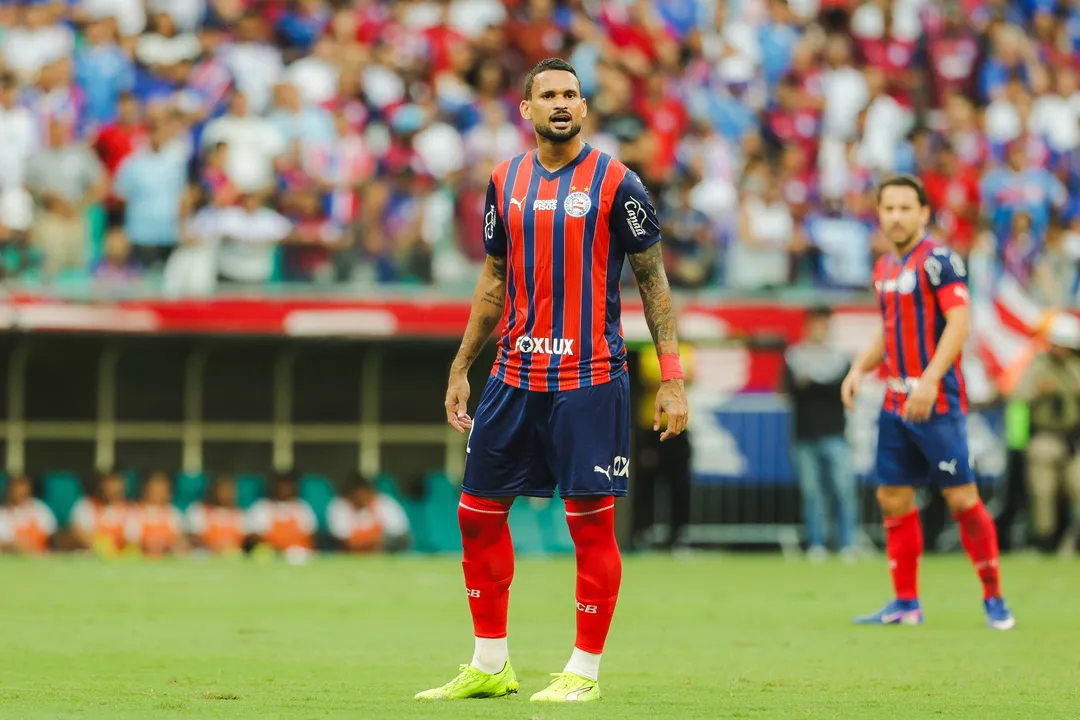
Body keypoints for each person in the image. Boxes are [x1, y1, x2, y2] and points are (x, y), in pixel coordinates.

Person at [417, 58, 689, 703]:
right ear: (527, 110)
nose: (561, 103)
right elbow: (492, 279)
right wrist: (461, 365)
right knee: (477, 514)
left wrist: (672, 379)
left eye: (571, 93)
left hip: (590, 377)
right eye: (549, 94)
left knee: (589, 523)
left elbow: (653, 284)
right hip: (513, 374)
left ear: (584, 108)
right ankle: (490, 664)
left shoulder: (619, 183)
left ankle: (584, 672)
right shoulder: (504, 179)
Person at [841, 175, 1015, 630]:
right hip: (896, 401)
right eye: (889, 208)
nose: (896, 216)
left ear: (923, 213)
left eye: (905, 208)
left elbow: (959, 323)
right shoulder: (884, 267)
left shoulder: (940, 261)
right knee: (892, 495)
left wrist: (931, 380)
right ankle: (906, 603)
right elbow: (888, 328)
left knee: (961, 499)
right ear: (879, 214)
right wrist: (860, 368)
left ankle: (994, 597)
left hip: (936, 399)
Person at [784, 305, 857, 560]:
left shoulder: (840, 358)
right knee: (811, 493)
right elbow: (789, 390)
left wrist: (810, 384)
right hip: (805, 434)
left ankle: (847, 543)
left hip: (835, 432)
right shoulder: (794, 356)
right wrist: (818, 386)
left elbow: (841, 390)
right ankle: (816, 543)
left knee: (842, 489)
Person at [327, 474, 411, 553]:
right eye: (357, 495)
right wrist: (371, 540)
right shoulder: (339, 506)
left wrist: (377, 540)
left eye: (365, 494)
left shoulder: (384, 504)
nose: (362, 498)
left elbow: (399, 534)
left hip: (384, 554)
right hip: (350, 555)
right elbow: (344, 540)